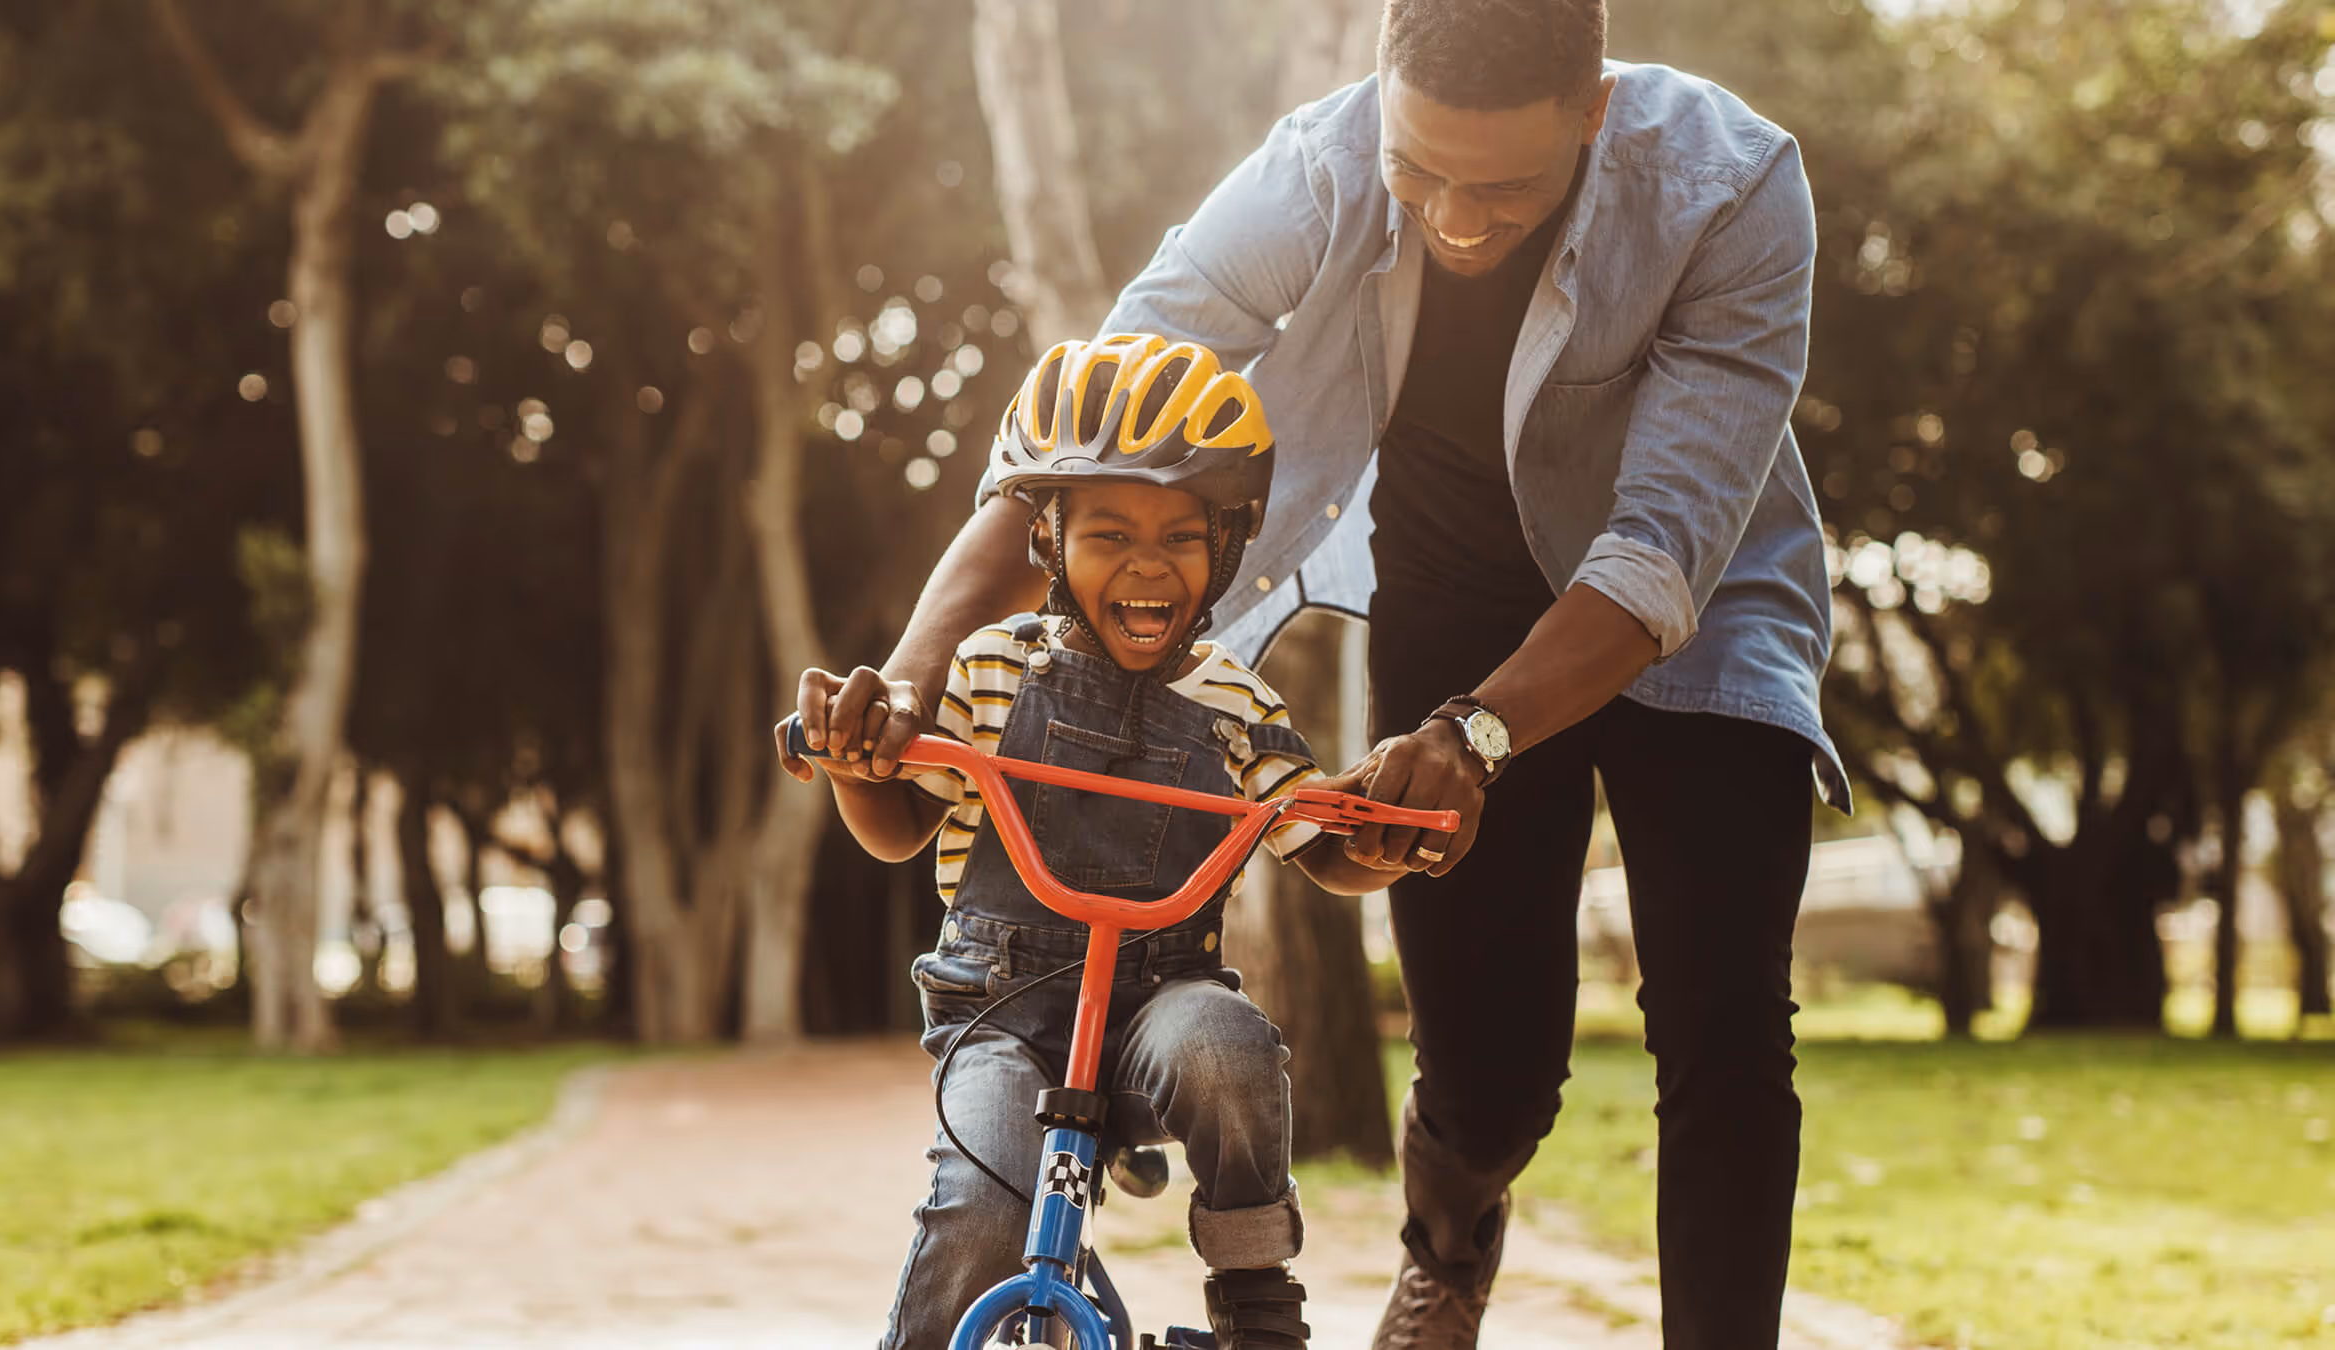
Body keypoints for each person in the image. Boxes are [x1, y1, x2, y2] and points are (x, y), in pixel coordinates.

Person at [787, 0, 1852, 1343]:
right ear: (1382, 97)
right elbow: (1105, 412)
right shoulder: (1317, 167)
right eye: (1424, 175)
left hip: (1695, 607)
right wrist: (922, 663)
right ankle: (1451, 1245)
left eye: (1506, 187)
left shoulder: (1734, 186)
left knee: (1723, 1016)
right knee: (1490, 1068)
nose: (1457, 224)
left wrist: (1477, 735)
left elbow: (1657, 554)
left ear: (1597, 110)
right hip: (1458, 594)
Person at [786, 334, 1409, 1350]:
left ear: (1230, 544)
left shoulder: (1235, 705)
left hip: (1157, 1012)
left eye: (1182, 535)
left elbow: (1317, 839)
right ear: (1047, 540)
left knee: (1229, 1044)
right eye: (1109, 532)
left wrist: (1379, 835)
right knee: (984, 1205)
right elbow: (900, 826)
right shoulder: (993, 670)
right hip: (1004, 1015)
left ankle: (1257, 1300)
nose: (1148, 565)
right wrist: (860, 766)